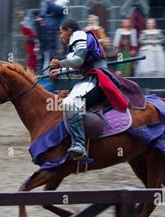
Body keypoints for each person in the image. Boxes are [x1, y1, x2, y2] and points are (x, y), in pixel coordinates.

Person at [49, 18, 143, 160]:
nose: (61, 36)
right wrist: (60, 72)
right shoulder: (78, 42)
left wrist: (60, 64)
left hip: (97, 78)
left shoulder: (79, 35)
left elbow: (77, 62)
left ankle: (79, 144)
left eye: (61, 32)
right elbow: (78, 68)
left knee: (70, 102)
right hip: (91, 76)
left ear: (69, 31)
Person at [37, 0, 69, 71]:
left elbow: (59, 11)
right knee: (44, 53)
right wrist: (39, 18)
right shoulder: (44, 1)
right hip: (46, 32)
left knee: (57, 53)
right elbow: (42, 13)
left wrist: (50, 2)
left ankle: (57, 71)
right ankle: (44, 73)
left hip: (58, 31)